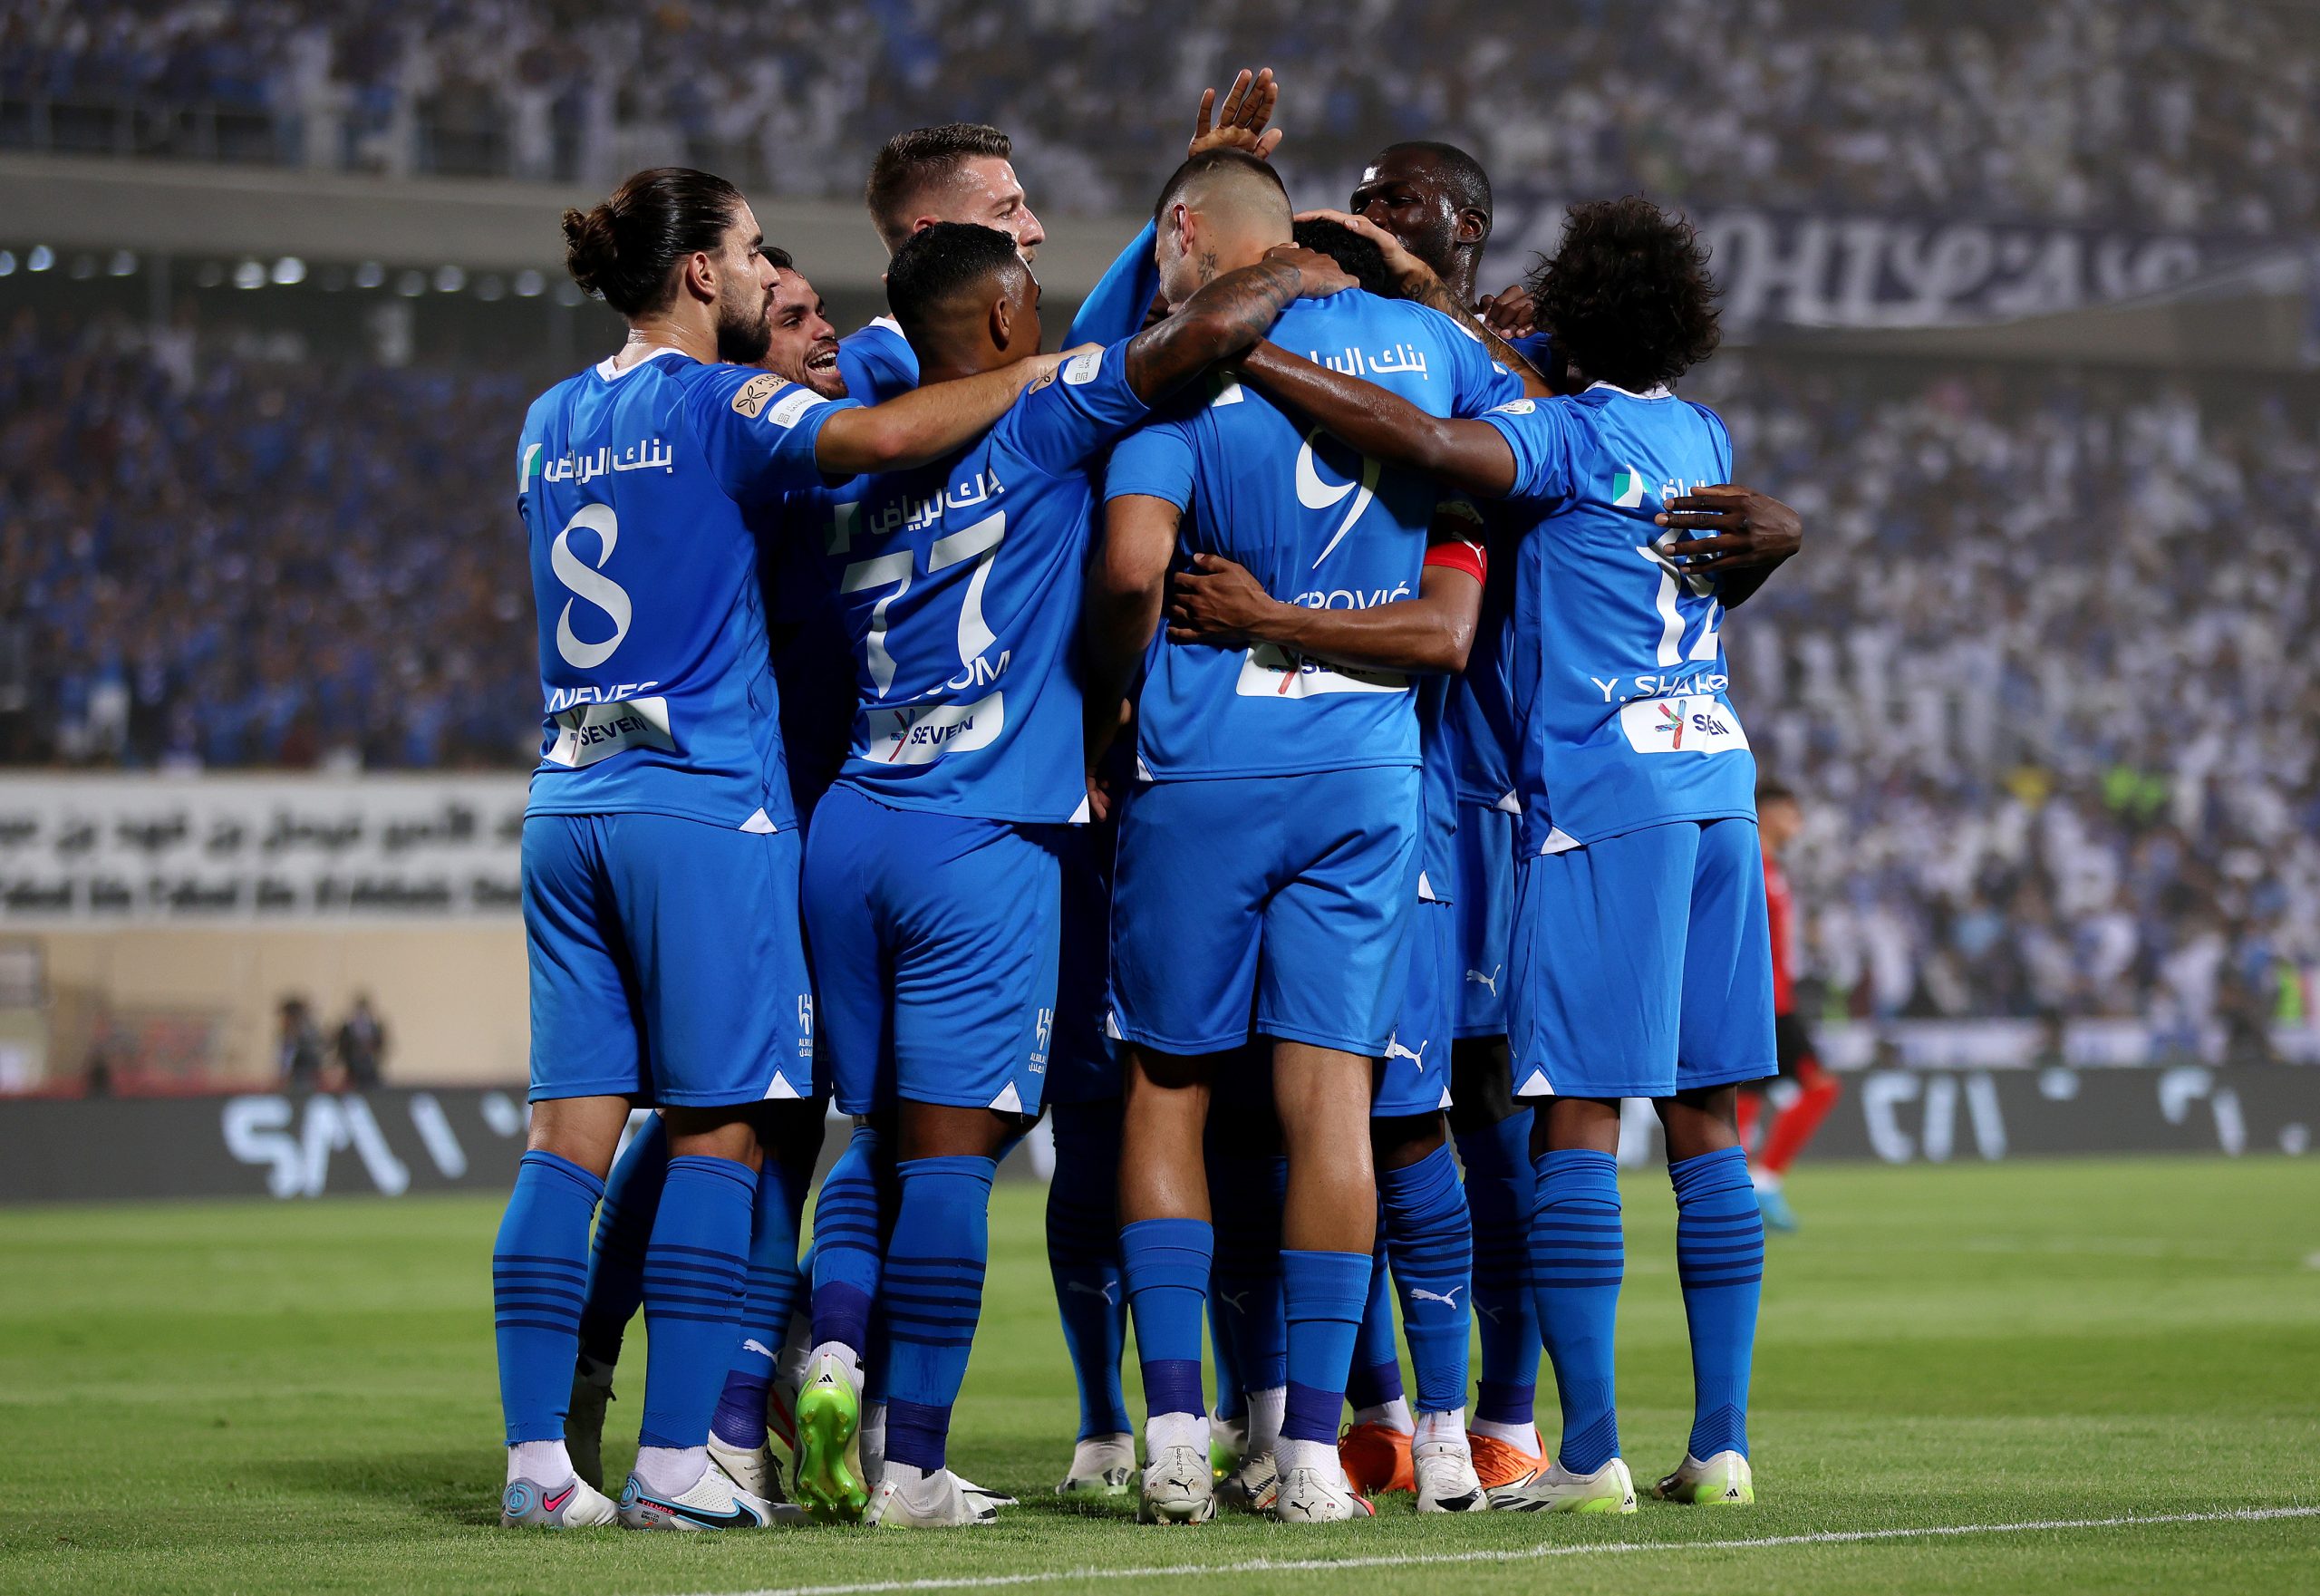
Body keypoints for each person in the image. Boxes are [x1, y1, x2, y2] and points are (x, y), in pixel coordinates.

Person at [493, 164, 1070, 1533]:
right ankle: (680, 1462)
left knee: (564, 1141)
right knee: (727, 1131)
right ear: (700, 272)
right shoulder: (717, 400)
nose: (762, 274)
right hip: (702, 802)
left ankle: (534, 1463)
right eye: (751, 252)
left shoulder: (547, 419)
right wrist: (1041, 376)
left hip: (568, 792)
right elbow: (869, 446)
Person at [1227, 195, 1803, 1513]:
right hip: (1718, 771)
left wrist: (1244, 351)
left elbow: (1424, 435)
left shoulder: (1565, 436)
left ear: (1574, 314)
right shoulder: (1696, 432)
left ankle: (1587, 1452)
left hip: (1607, 795)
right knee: (1707, 1111)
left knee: (1575, 1117)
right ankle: (1721, 1447)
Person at [782, 220, 1349, 1529]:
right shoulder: (1037, 425)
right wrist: (1278, 270)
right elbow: (1186, 341)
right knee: (955, 1165)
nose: (1045, 319)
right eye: (1029, 297)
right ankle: (914, 1464)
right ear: (998, 320)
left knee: (874, 1137)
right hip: (979, 840)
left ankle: (833, 1351)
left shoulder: (853, 465)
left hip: (851, 828)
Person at [1086, 149, 1525, 1526]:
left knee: (1170, 1090)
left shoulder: (1180, 374)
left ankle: (1171, 1433)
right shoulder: (1437, 353)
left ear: (1185, 239)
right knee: (1336, 1107)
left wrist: (1110, 708)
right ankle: (1324, 1454)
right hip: (1364, 768)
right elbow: (1513, 431)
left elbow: (1130, 567)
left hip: (1207, 763)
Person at [1335, 138, 1556, 1493]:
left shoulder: (1504, 370)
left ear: (1462, 226)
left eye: (1396, 202)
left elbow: (1560, 446)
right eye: (1359, 201)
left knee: (1487, 1101)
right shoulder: (1346, 350)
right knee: (1348, 1092)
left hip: (1484, 783)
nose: (1369, 216)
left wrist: (1445, 314)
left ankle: (1507, 1413)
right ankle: (1369, 1409)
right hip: (1367, 762)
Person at [1741, 779, 1843, 1232]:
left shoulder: (1771, 867)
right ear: (1768, 811)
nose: (1798, 822)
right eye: (1791, 811)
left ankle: (1739, 1192)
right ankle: (1761, 1183)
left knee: (1745, 1095)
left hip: (1774, 996)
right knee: (1818, 1086)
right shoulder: (1750, 865)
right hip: (1765, 1000)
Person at [334, 995, 386, 1089]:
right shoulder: (348, 1028)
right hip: (352, 1069)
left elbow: (381, 1046)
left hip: (370, 1069)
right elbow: (343, 1047)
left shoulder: (375, 1028)